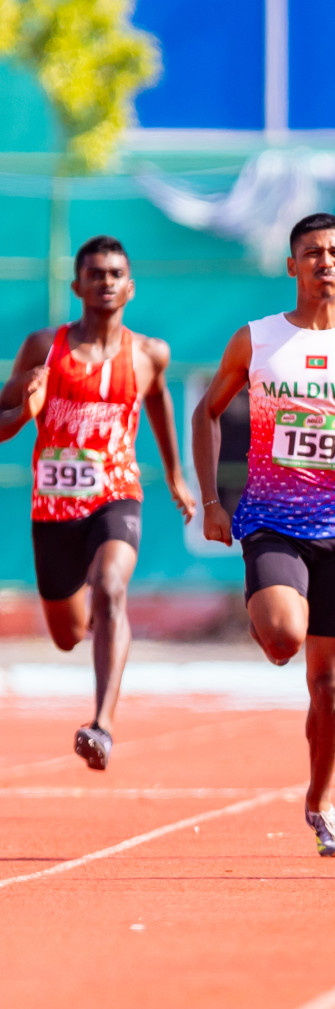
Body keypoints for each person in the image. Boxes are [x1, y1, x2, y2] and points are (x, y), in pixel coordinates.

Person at [191, 213, 335, 857]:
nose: (325, 262)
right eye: (311, 252)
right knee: (285, 638)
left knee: (332, 684)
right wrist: (211, 500)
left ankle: (320, 801)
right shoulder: (257, 340)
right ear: (291, 266)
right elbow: (208, 413)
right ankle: (267, 604)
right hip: (269, 519)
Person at [0, 236, 196, 769]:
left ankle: (102, 725)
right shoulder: (44, 347)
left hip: (116, 494)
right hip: (54, 507)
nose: (106, 282)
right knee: (67, 636)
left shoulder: (149, 353)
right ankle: (98, 621)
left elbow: (156, 398)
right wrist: (24, 412)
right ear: (76, 285)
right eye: (96, 273)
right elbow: (1, 416)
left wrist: (176, 476)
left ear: (129, 286)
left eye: (115, 273)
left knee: (111, 588)